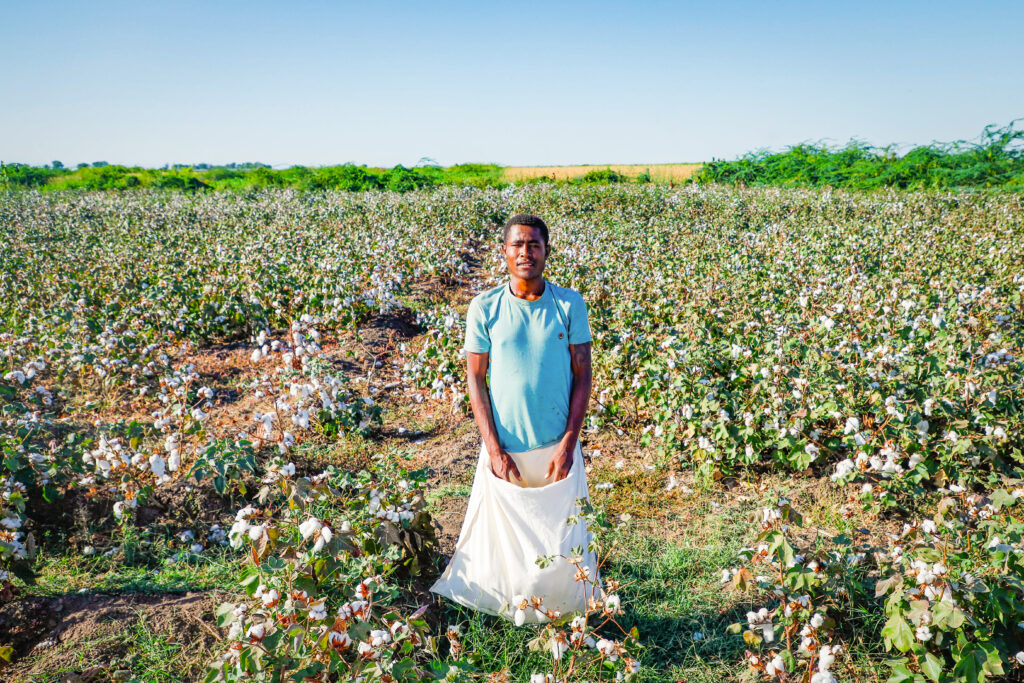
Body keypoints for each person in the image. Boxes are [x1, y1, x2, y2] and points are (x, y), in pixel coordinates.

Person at [430, 213, 600, 624]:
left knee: (562, 540)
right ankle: (510, 615)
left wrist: (568, 443)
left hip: (556, 445)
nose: (526, 253)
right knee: (503, 549)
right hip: (505, 446)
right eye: (518, 245)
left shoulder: (568, 304)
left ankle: (562, 613)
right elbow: (475, 377)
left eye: (534, 245)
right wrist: (493, 449)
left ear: (546, 252)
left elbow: (583, 373)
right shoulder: (484, 307)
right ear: (504, 252)